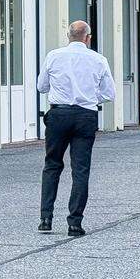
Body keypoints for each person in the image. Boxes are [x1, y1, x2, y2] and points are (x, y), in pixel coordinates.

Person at [37, 21, 115, 237]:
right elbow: (109, 93)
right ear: (88, 37)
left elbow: (41, 86)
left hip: (59, 114)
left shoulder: (54, 56)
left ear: (68, 35)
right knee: (80, 169)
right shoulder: (98, 60)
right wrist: (90, 98)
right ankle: (75, 222)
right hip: (85, 115)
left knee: (52, 164)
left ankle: (45, 218)